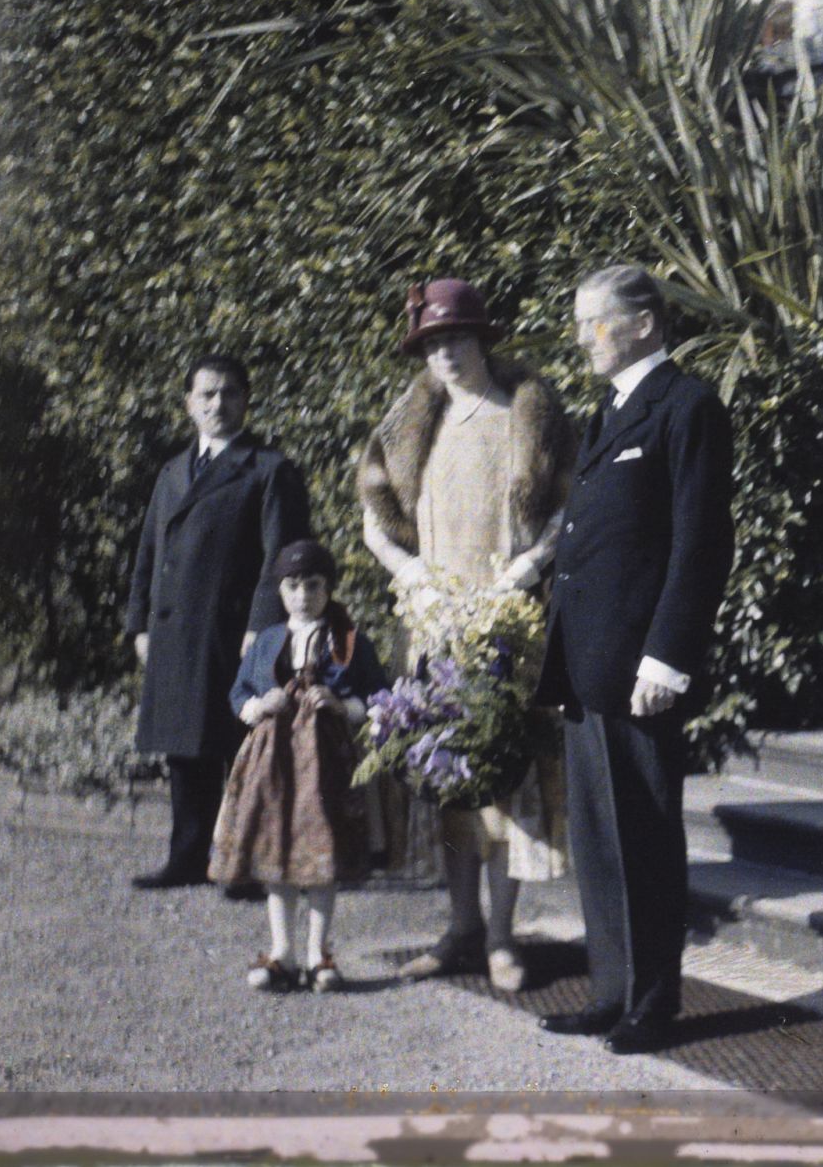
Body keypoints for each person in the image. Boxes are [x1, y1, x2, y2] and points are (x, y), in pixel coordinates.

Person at [535, 265, 734, 1056]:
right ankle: (613, 989)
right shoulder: (609, 409)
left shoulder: (687, 407)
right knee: (597, 837)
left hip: (639, 668)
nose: (584, 336)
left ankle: (652, 1002)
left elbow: (701, 541)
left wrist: (668, 655)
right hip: (587, 665)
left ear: (646, 323)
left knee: (644, 838)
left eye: (596, 320)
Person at [358, 278, 577, 993]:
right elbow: (374, 518)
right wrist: (413, 574)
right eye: (431, 343)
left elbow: (561, 516)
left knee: (504, 778)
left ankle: (504, 937)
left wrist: (523, 573)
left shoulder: (527, 417)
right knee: (446, 779)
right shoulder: (406, 427)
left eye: (455, 339)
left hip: (507, 623)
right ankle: (460, 928)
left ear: (483, 339)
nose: (445, 354)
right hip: (434, 625)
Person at [125, 354, 310, 896]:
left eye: (229, 393)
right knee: (185, 744)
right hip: (174, 629)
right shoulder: (172, 471)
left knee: (242, 746)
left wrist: (263, 626)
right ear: (188, 403)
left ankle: (248, 862)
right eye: (206, 394)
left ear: (245, 401)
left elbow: (283, 556)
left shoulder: (269, 469)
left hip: (234, 630)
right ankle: (187, 856)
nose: (217, 404)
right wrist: (138, 621)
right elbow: (148, 552)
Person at [209, 539, 387, 993]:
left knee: (321, 851)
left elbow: (378, 695)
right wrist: (258, 705)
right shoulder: (267, 640)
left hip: (326, 762)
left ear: (328, 589)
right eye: (292, 586)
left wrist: (342, 703)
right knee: (276, 847)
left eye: (313, 585)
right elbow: (237, 694)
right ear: (280, 591)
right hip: (272, 762)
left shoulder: (347, 640)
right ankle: (282, 951)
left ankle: (318, 953)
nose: (303, 595)